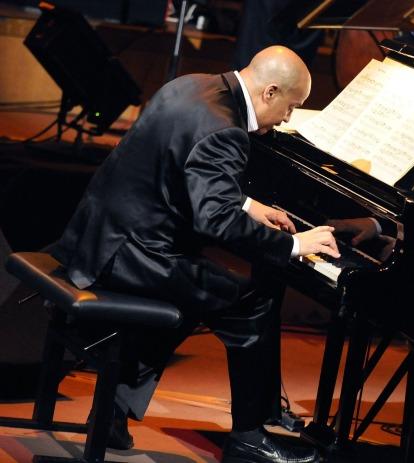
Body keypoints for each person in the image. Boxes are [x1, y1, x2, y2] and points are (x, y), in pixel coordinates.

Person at [51, 45, 339, 463]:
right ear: (271, 92)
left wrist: (246, 204)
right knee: (252, 298)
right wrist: (295, 245)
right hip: (129, 254)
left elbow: (179, 165)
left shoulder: (192, 85)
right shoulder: (228, 130)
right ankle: (249, 436)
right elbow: (215, 222)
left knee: (200, 290)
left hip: (97, 235)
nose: (289, 118)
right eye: (291, 107)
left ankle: (113, 408)